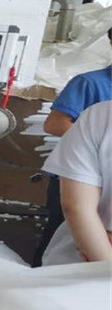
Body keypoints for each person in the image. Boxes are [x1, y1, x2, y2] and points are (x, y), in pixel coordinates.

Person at [31, 27, 112, 265]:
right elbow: (54, 124)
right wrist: (90, 144)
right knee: (69, 232)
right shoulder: (90, 83)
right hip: (76, 175)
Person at [40, 100, 112, 264]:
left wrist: (104, 259)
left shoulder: (100, 115)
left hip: (89, 256)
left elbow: (77, 206)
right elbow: (53, 124)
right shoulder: (91, 92)